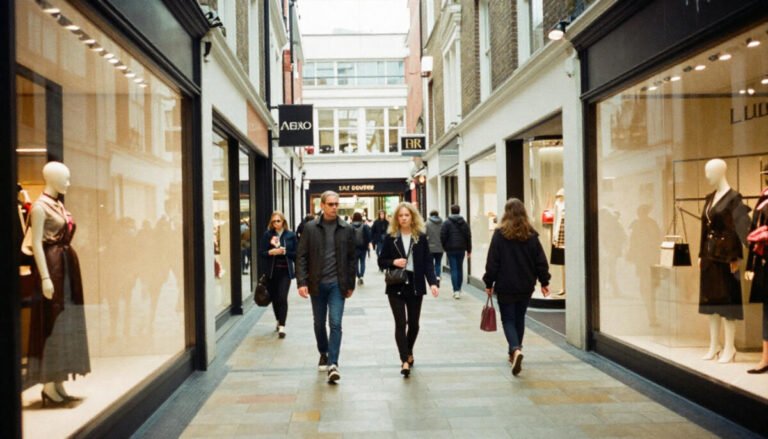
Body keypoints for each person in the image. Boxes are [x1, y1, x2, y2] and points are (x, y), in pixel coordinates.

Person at [483, 198, 550, 377]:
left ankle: (515, 349)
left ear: (506, 213)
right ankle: (514, 352)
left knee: (508, 319)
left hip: (505, 285)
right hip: (526, 285)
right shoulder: (532, 235)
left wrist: (488, 283)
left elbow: (493, 262)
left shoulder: (499, 235)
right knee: (519, 318)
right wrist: (544, 282)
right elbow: (540, 262)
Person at [296, 191, 356, 384]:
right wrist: (302, 282)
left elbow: (351, 259)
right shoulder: (310, 228)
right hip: (316, 284)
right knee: (318, 323)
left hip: (337, 285)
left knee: (336, 323)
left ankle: (333, 363)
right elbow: (301, 256)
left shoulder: (346, 229)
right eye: (330, 204)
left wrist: (350, 283)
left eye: (336, 204)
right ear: (321, 205)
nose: (334, 207)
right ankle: (323, 351)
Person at [378, 202, 439, 377]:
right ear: (396, 218)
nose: (404, 218)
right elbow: (381, 261)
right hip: (396, 284)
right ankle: (404, 360)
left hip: (415, 283)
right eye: (401, 215)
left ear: (412, 217)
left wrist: (433, 283)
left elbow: (428, 262)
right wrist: (393, 262)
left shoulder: (420, 237)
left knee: (414, 324)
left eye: (407, 215)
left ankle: (409, 350)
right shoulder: (391, 237)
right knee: (400, 323)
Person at [260, 211, 297, 339]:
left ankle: (282, 326)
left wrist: (285, 252)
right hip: (271, 272)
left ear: (283, 221)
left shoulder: (290, 235)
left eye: (278, 221)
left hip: (285, 272)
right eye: (274, 221)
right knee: (275, 299)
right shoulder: (267, 235)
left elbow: (296, 254)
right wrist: (271, 252)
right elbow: (261, 253)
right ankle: (278, 319)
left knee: (282, 297)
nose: (276, 223)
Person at [440, 204, 472, 299]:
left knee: (453, 269)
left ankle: (456, 290)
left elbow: (442, 236)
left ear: (451, 210)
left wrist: (445, 247)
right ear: (459, 211)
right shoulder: (464, 223)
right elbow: (468, 236)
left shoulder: (446, 223)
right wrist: (469, 249)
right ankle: (459, 288)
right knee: (459, 268)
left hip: (451, 249)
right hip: (461, 248)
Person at [350, 212, 372, 285]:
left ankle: (358, 276)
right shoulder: (364, 226)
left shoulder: (350, 226)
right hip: (363, 247)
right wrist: (368, 245)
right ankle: (362, 276)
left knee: (355, 263)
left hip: (354, 248)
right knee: (362, 262)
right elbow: (368, 237)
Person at [425, 210, 444, 282]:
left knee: (430, 263)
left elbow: (424, 235)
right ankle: (438, 277)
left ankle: (432, 277)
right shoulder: (442, 223)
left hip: (430, 247)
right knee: (438, 263)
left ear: (430, 215)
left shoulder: (427, 223)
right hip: (440, 247)